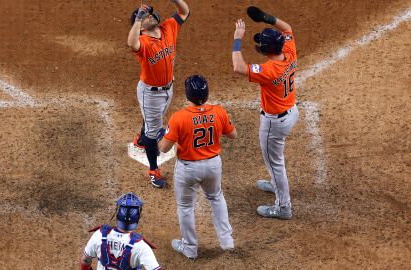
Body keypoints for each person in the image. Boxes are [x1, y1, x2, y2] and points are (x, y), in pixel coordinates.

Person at [158, 75, 237, 260]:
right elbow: (233, 134)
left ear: (188, 95)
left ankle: (190, 248)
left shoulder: (179, 117)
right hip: (213, 165)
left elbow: (163, 148)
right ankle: (227, 241)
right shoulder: (219, 112)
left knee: (185, 206)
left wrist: (162, 135)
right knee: (216, 197)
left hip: (188, 169)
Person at [232, 6, 300, 220]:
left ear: (267, 50)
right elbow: (287, 27)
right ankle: (275, 185)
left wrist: (237, 39)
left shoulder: (269, 71)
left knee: (275, 163)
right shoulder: (289, 51)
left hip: (275, 123)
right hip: (291, 111)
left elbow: (239, 67)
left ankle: (283, 207)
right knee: (275, 162)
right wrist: (265, 18)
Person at [128, 1, 190, 188]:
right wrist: (138, 18)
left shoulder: (168, 27)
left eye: (151, 14)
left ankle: (140, 140)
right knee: (154, 132)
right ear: (140, 27)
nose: (151, 16)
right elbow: (131, 43)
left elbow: (184, 11)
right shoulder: (144, 43)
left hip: (168, 87)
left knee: (154, 120)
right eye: (146, 16)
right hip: (151, 94)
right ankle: (153, 170)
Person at [79, 193, 162, 270]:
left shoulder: (99, 235)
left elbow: (85, 261)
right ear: (137, 218)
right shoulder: (141, 247)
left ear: (118, 215)